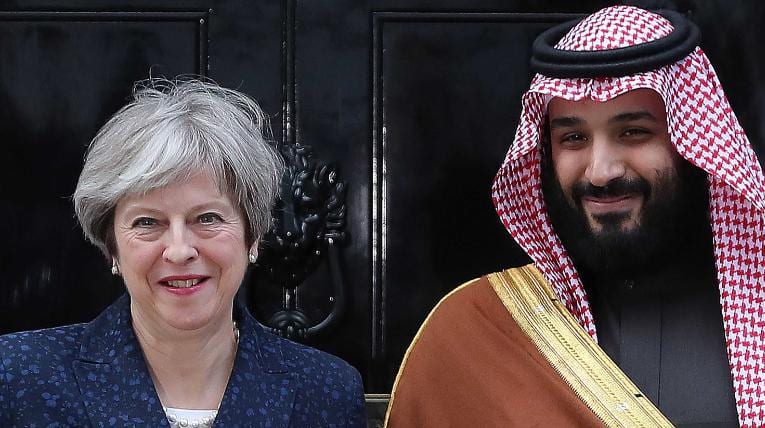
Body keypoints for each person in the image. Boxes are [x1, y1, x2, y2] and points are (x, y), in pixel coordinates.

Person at [386, 5, 763, 427]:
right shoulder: (471, 332)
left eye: (633, 132)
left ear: (692, 145)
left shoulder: (756, 314)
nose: (600, 171)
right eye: (574, 137)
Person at [0, 79, 366, 427]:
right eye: (147, 222)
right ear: (111, 247)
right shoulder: (19, 377)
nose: (179, 250)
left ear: (252, 237)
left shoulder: (326, 393)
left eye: (207, 218)